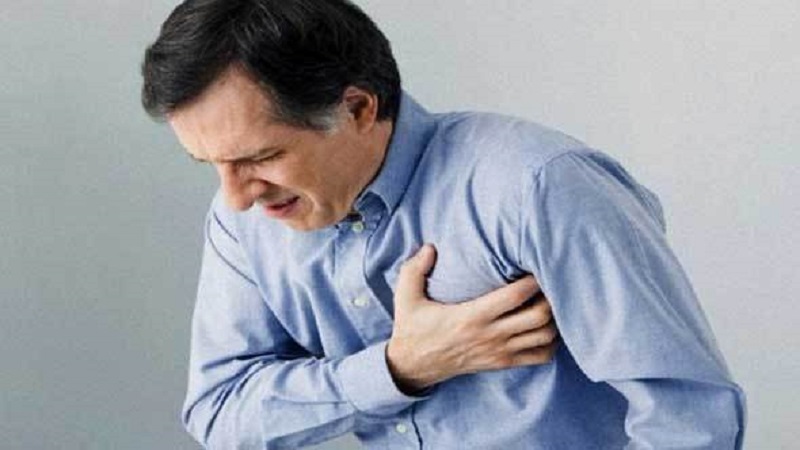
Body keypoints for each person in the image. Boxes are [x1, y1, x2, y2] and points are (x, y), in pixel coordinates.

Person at [141, 0, 746, 448]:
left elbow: (690, 420)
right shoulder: (243, 223)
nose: (235, 197)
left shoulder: (536, 187)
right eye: (210, 165)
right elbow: (221, 412)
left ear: (357, 108)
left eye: (261, 157)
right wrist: (401, 368)